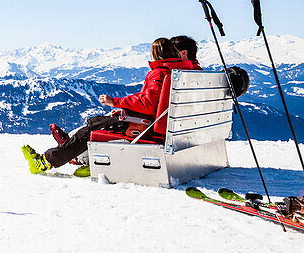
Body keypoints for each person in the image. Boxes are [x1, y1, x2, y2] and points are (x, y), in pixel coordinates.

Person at [22, 37, 196, 173]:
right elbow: (152, 99)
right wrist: (124, 107)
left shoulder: (160, 72)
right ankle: (72, 150)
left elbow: (148, 103)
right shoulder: (181, 70)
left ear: (156, 54)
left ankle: (46, 161)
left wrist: (116, 102)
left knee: (90, 130)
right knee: (96, 121)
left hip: (146, 127)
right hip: (161, 124)